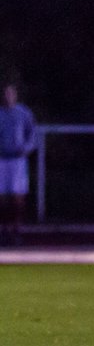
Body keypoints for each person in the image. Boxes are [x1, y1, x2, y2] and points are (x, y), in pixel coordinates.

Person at [0, 82, 38, 246]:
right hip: (2, 159)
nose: (9, 97)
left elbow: (33, 134)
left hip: (17, 160)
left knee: (18, 197)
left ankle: (17, 229)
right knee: (2, 197)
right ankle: (4, 229)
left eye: (11, 94)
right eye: (6, 94)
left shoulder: (23, 113)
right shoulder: (0, 114)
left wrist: (27, 148)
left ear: (15, 96)